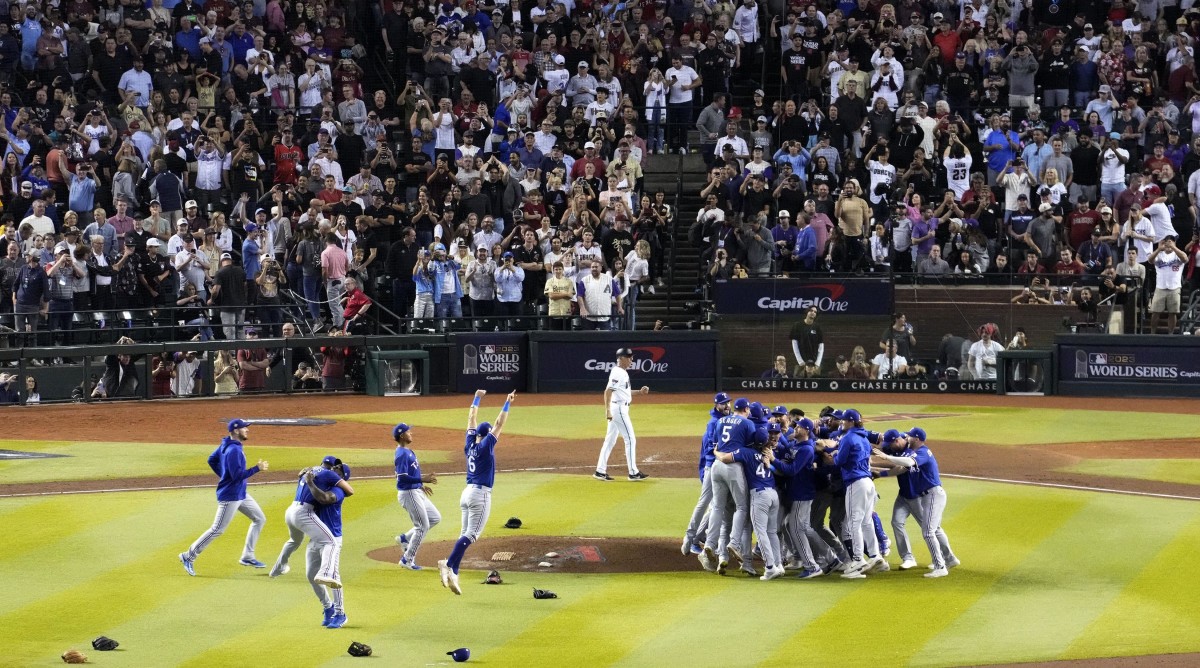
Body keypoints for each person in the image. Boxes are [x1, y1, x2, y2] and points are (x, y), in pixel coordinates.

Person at [438, 389, 517, 596]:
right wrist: (507, 402)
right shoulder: (485, 447)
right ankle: (447, 564)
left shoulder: (469, 445)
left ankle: (454, 571)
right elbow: (500, 424)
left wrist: (477, 397)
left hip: (466, 493)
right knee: (472, 535)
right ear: (487, 434)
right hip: (479, 495)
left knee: (464, 533)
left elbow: (471, 417)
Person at [179, 419, 269, 577]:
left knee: (259, 518)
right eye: (244, 428)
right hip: (230, 496)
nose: (247, 430)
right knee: (217, 529)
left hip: (241, 493)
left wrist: (223, 475)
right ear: (235, 431)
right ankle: (188, 556)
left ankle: (248, 556)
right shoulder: (233, 450)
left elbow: (211, 460)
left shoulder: (226, 444)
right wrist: (257, 468)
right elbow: (237, 476)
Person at [873, 428, 959, 577]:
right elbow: (901, 467)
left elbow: (908, 463)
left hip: (931, 494)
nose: (907, 437)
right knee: (925, 528)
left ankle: (941, 565)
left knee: (929, 530)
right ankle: (945, 560)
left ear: (917, 438)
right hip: (922, 495)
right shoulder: (911, 451)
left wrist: (887, 457)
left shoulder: (922, 452)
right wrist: (880, 471)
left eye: (910, 436)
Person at [267, 456, 354, 595]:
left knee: (294, 541)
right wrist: (312, 483)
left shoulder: (312, 470)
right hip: (303, 513)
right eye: (336, 466)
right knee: (331, 542)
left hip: (290, 511)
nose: (336, 468)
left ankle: (278, 567)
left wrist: (307, 479)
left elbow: (303, 482)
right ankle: (325, 573)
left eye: (339, 468)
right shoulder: (328, 475)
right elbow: (350, 491)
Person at [818, 408, 884, 578]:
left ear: (852, 421)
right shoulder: (863, 437)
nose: (842, 422)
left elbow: (838, 461)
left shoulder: (849, 438)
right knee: (866, 521)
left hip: (856, 482)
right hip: (868, 482)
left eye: (845, 420)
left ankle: (858, 559)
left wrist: (827, 451)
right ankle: (876, 556)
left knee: (853, 522)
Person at [713, 426, 785, 581]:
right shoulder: (768, 453)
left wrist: (715, 452)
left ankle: (771, 568)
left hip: (760, 495)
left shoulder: (746, 452)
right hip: (773, 494)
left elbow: (725, 459)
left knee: (761, 533)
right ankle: (779, 565)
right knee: (772, 532)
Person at [682, 392, 730, 556]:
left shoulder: (725, 421)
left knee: (717, 506)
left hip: (718, 467)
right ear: (717, 405)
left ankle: (701, 540)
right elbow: (710, 449)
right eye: (723, 403)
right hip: (712, 467)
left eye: (728, 402)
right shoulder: (714, 423)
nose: (727, 406)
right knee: (705, 503)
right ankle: (689, 539)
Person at [594, 348, 650, 481]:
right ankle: (633, 472)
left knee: (610, 440)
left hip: (618, 407)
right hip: (618, 409)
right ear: (621, 358)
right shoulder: (618, 372)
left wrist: (640, 392)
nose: (632, 360)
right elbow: (608, 391)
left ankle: (600, 471)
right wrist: (607, 410)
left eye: (632, 357)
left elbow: (624, 392)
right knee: (630, 439)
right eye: (629, 357)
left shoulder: (621, 372)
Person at [393, 422, 440, 570]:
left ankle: (405, 538)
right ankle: (407, 559)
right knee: (422, 526)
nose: (411, 433)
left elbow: (411, 474)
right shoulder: (401, 454)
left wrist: (420, 485)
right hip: (409, 493)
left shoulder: (408, 451)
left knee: (435, 517)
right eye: (408, 432)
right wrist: (422, 480)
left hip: (416, 491)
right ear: (402, 435)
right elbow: (402, 478)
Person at [1148, 236, 1188, 334]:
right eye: (1166, 242)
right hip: (1160, 287)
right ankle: (1152, 333)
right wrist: (1158, 249)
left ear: (1174, 243)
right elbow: (1150, 260)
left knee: (1173, 312)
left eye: (1170, 242)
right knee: (1155, 312)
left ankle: (1171, 334)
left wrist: (1173, 247)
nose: (1168, 244)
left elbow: (1185, 259)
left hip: (1174, 287)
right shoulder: (1159, 254)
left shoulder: (1177, 254)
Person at [789, 306, 825, 377]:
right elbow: (794, 344)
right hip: (800, 362)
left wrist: (817, 363)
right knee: (798, 382)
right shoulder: (797, 325)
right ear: (807, 312)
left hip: (814, 363)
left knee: (815, 383)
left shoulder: (817, 327)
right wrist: (800, 361)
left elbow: (821, 346)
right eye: (811, 310)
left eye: (815, 312)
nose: (813, 313)